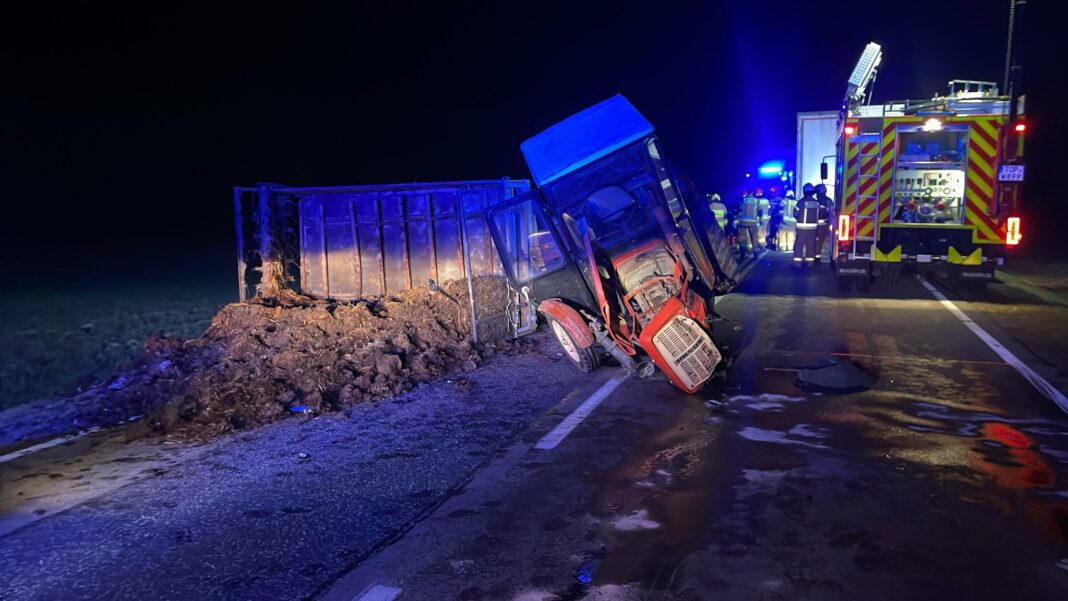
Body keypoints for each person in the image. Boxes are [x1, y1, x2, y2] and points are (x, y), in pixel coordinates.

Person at [794, 183, 825, 265]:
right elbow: (820, 214)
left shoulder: (801, 202)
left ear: (804, 191)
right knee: (811, 246)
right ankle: (810, 263)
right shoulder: (816, 203)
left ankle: (797, 263)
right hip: (813, 229)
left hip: (801, 228)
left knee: (799, 246)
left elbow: (795, 213)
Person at [737, 189, 762, 258]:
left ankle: (743, 252)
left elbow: (740, 208)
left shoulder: (744, 200)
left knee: (742, 237)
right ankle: (755, 252)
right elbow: (760, 209)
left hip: (743, 221)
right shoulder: (756, 200)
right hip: (752, 221)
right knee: (754, 237)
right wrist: (760, 219)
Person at [814, 183, 833, 262]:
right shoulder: (829, 201)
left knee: (817, 242)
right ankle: (822, 255)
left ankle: (816, 257)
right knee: (822, 241)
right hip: (825, 224)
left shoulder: (817, 201)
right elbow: (831, 213)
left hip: (817, 225)